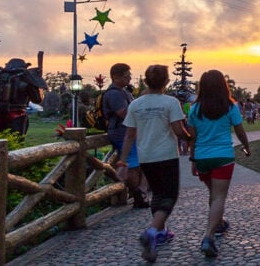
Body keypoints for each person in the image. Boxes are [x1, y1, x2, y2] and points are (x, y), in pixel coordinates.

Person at [121, 65, 191, 263]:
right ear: (167, 82)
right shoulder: (170, 102)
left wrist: (122, 160)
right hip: (166, 155)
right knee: (169, 195)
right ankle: (152, 231)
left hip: (146, 157)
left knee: (157, 194)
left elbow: (129, 135)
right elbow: (178, 131)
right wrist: (190, 138)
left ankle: (160, 233)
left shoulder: (135, 104)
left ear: (145, 81)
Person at [187, 69, 251, 258]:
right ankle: (208, 237)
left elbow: (192, 137)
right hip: (223, 157)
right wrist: (247, 147)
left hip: (202, 157)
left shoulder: (194, 109)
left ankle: (220, 222)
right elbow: (239, 131)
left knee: (213, 194)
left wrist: (193, 159)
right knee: (219, 197)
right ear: (223, 86)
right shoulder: (230, 107)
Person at [102, 63, 149, 209]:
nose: (129, 77)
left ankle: (139, 193)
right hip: (122, 133)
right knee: (133, 165)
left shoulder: (124, 92)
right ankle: (137, 195)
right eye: (126, 75)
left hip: (129, 132)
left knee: (140, 163)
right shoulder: (114, 94)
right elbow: (124, 113)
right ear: (115, 77)